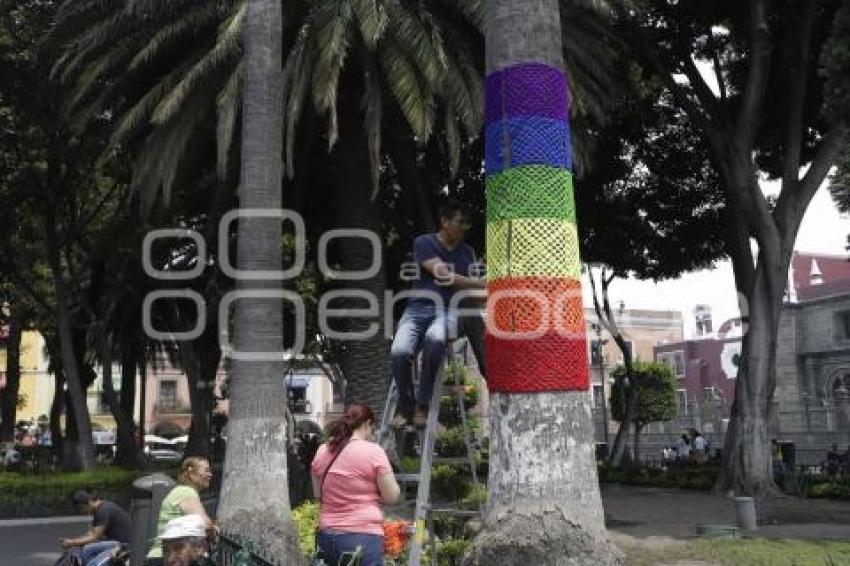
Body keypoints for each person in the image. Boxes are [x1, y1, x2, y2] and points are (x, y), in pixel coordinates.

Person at [390, 201, 485, 426]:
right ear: (444, 221)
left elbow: (470, 291)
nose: (464, 228)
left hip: (448, 311)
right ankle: (406, 408)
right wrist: (483, 283)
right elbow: (444, 275)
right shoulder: (424, 243)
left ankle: (422, 405)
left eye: (466, 224)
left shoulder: (467, 252)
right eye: (460, 222)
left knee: (436, 339)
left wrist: (495, 292)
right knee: (399, 351)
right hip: (417, 309)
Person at [311, 404, 400, 566]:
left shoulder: (322, 450)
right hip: (362, 538)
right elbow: (391, 496)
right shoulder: (373, 451)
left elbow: (318, 494)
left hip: (326, 537)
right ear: (367, 424)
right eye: (372, 428)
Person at [146, 457, 216, 566]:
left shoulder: (180, 491)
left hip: (163, 556)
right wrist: (214, 529)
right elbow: (205, 524)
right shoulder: (185, 492)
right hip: (170, 558)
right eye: (206, 470)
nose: (210, 475)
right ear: (192, 474)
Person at [59, 489, 131, 566]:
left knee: (93, 564)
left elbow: (93, 537)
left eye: (81, 508)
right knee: (86, 551)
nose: (82, 512)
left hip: (124, 547)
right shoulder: (101, 508)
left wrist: (72, 543)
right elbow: (91, 533)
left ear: (87, 503)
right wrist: (74, 541)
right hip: (113, 543)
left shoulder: (102, 511)